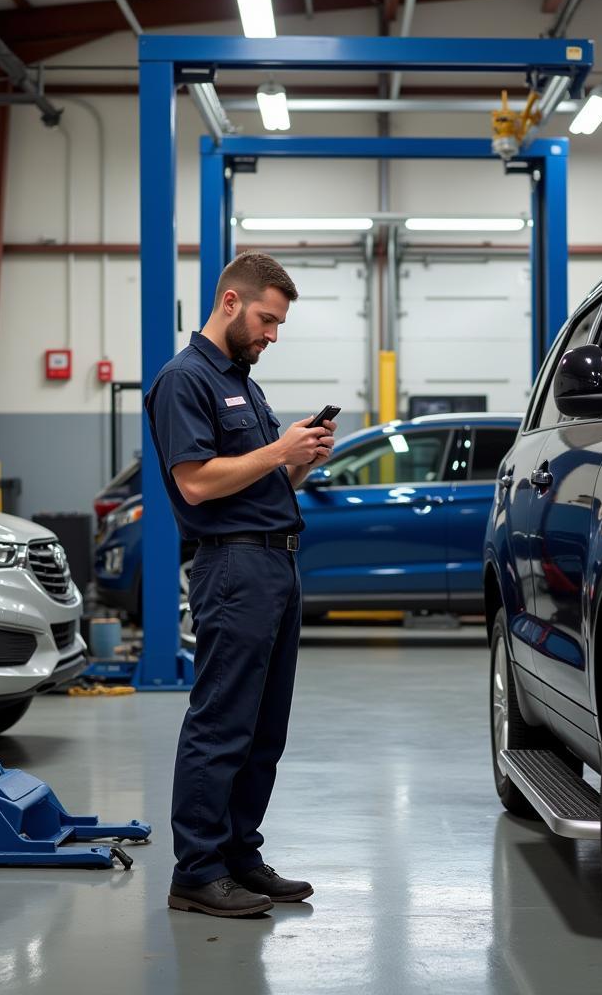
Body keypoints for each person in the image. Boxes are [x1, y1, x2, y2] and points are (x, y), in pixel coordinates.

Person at [145, 252, 336, 918]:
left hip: (276, 564)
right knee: (222, 720)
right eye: (266, 319)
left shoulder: (244, 384)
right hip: (233, 568)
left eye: (279, 324)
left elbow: (261, 483)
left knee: (263, 727)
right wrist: (278, 450)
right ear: (230, 301)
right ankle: (196, 871)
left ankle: (238, 856)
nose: (271, 335)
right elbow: (196, 481)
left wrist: (299, 462)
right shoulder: (184, 380)